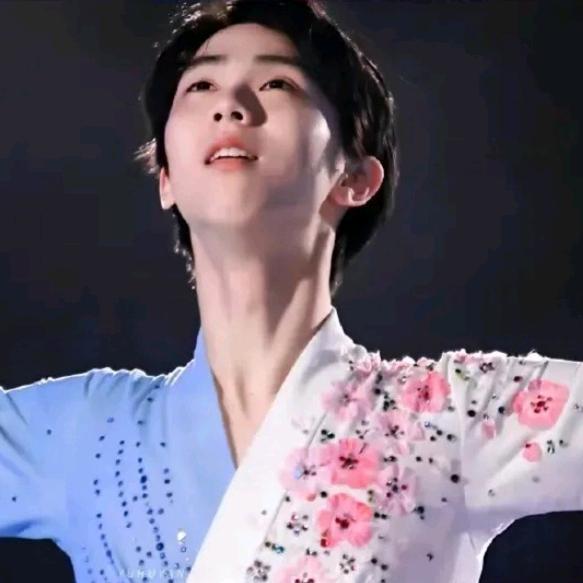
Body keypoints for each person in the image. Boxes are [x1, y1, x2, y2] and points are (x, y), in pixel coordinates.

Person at [1, 0, 581, 582]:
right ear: (167, 179)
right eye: (200, 85)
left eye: (276, 83)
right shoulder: (86, 432)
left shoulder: (449, 418)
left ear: (355, 177)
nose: (230, 105)